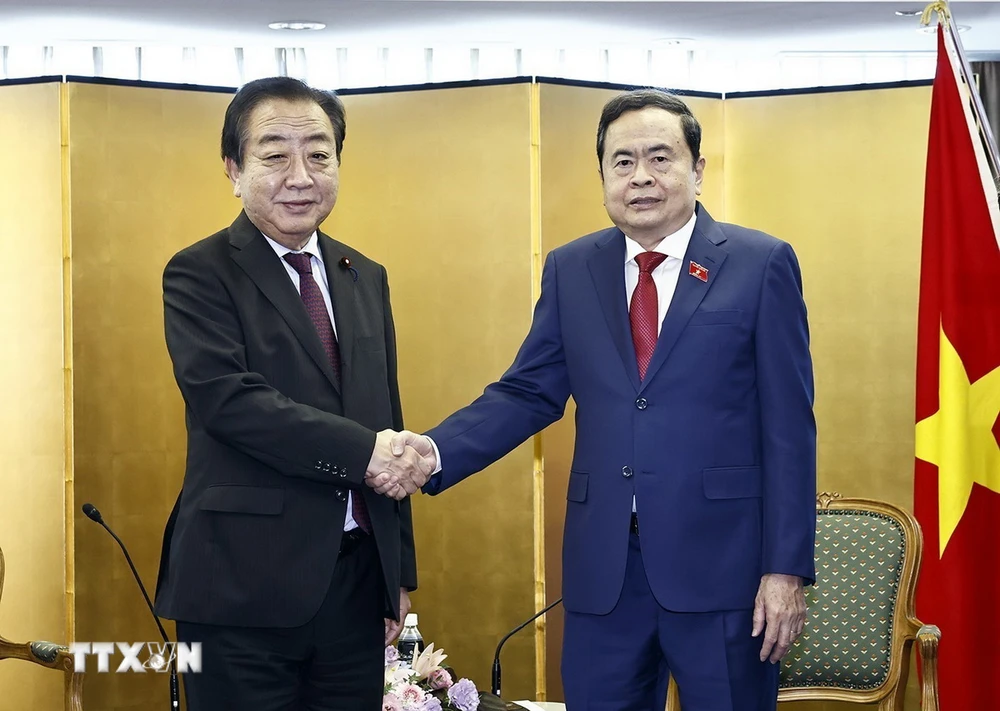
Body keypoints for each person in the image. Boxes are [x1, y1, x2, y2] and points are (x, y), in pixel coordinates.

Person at [381, 89, 817, 710]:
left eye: (661, 158)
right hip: (604, 573)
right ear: (603, 175)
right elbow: (528, 391)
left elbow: (789, 429)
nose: (641, 176)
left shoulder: (760, 263)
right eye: (622, 161)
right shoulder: (572, 268)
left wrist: (786, 569)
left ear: (698, 168)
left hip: (725, 572)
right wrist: (432, 451)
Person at [153, 76, 432, 711]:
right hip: (240, 588)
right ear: (233, 169)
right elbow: (231, 402)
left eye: (319, 153)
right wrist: (366, 451)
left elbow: (386, 417)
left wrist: (398, 575)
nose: (300, 175)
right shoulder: (199, 272)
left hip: (357, 584)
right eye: (275, 155)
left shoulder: (364, 275)